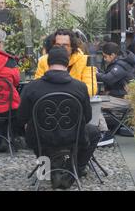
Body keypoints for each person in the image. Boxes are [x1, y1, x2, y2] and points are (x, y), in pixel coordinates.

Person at [17, 46, 100, 189]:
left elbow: (20, 118)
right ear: (67, 63)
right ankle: (75, 169)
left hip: (40, 139)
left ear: (48, 63)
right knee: (94, 132)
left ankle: (46, 168)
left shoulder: (32, 87)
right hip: (72, 138)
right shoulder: (80, 87)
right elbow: (87, 117)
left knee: (30, 128)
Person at [34, 29, 111, 146]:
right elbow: (37, 86)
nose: (61, 48)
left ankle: (77, 164)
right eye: (58, 45)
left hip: (75, 113)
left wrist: (65, 94)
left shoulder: (85, 60)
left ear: (72, 46)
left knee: (92, 133)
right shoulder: (44, 61)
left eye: (65, 45)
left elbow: (91, 88)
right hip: (48, 114)